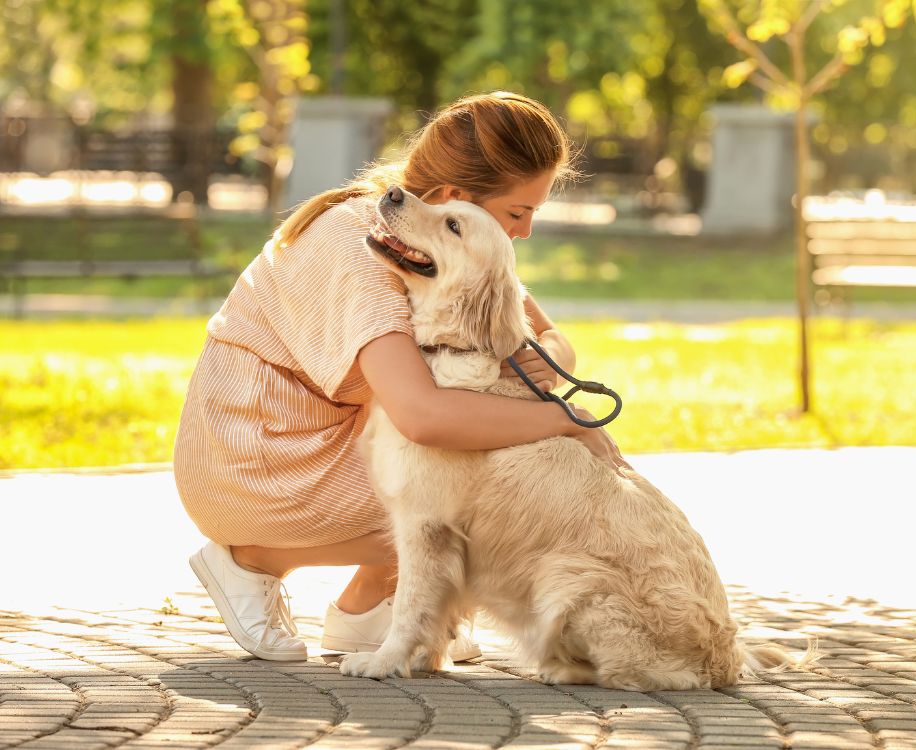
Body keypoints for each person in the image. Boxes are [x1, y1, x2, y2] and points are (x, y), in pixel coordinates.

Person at [173, 91, 628, 662]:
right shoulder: (364, 244)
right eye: (518, 213)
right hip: (252, 461)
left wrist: (554, 352)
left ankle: (372, 603)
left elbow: (545, 331)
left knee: (494, 460)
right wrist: (565, 420)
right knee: (488, 489)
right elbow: (424, 417)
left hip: (326, 445)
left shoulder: (425, 230)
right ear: (460, 198)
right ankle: (252, 561)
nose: (527, 231)